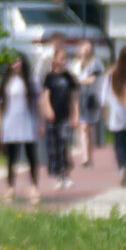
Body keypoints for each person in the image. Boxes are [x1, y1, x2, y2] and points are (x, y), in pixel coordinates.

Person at [0, 54, 42, 204]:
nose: (15, 64)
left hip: (28, 122)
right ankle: (10, 187)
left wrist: (41, 123)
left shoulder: (32, 80)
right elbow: (0, 104)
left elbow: (39, 103)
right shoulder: (7, 81)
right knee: (11, 157)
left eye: (18, 60)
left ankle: (34, 186)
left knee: (31, 155)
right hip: (11, 122)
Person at [41, 45, 80, 190]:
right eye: (61, 58)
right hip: (53, 117)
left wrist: (75, 114)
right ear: (55, 59)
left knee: (64, 146)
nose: (64, 61)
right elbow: (45, 95)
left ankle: (66, 174)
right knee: (54, 146)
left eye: (66, 58)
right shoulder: (49, 77)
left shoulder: (69, 77)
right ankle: (57, 175)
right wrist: (48, 109)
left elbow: (74, 98)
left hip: (65, 117)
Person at [104, 45, 126, 187]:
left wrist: (105, 112)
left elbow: (104, 96)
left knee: (119, 145)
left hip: (115, 114)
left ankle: (122, 168)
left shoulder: (112, 73)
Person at [70, 39, 104, 168]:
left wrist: (78, 81)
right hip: (78, 97)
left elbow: (92, 80)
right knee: (82, 127)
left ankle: (89, 154)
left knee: (89, 128)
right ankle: (85, 156)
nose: (86, 51)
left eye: (88, 49)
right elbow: (71, 79)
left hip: (91, 98)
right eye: (84, 48)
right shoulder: (75, 64)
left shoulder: (96, 63)